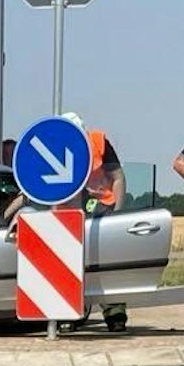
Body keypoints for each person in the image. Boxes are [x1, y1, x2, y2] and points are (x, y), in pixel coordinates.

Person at [64, 112, 128, 332]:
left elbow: (117, 177)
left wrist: (118, 214)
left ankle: (115, 314)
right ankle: (71, 314)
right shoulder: (56, 149)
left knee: (105, 262)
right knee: (72, 262)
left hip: (104, 207)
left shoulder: (99, 142)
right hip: (71, 211)